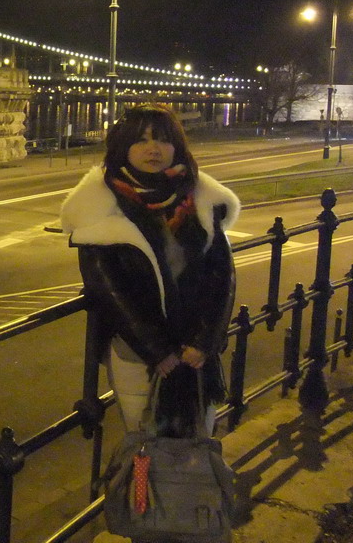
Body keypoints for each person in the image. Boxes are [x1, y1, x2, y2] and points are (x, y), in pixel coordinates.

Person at [60, 104, 240, 436]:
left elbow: (221, 274)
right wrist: (158, 350)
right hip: (138, 354)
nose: (153, 149)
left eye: (163, 140)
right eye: (141, 140)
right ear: (123, 146)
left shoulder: (200, 201)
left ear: (178, 146)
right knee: (148, 445)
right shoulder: (100, 206)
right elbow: (108, 288)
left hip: (197, 355)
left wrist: (204, 342)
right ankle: (143, 491)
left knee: (198, 445)